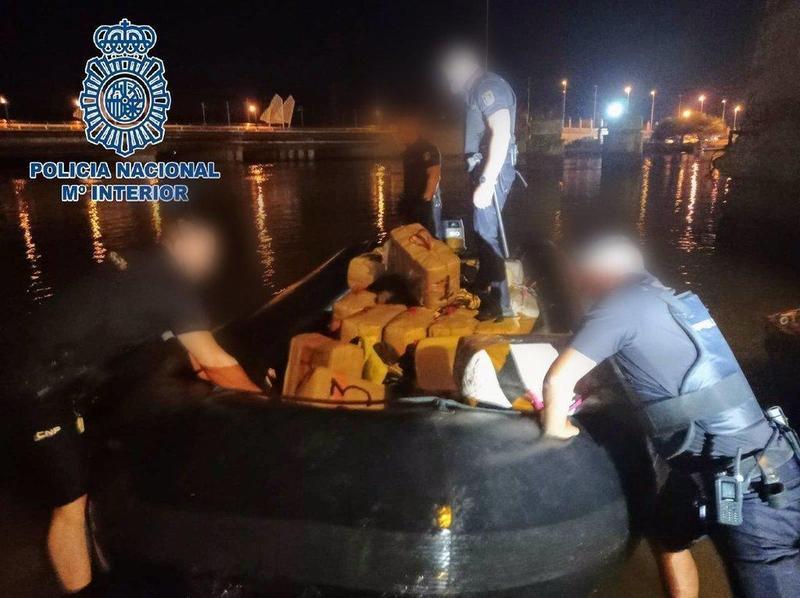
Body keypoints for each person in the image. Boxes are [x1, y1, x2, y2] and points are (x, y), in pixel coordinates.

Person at [12, 202, 262, 596]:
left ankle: (100, 572)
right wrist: (269, 406)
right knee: (70, 503)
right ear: (182, 241)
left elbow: (199, 355)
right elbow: (216, 363)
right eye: (205, 248)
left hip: (64, 377)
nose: (210, 260)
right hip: (36, 384)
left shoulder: (150, 265)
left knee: (87, 486)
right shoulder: (168, 283)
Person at [542, 235, 800, 598]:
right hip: (725, 462)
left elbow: (557, 380)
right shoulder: (666, 299)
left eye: (583, 279)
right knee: (667, 532)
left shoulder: (618, 303)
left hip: (749, 481)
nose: (581, 289)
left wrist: (556, 433)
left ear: (602, 273)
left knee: (767, 578)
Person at [441, 45, 518, 320]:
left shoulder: (488, 86)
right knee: (480, 229)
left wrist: (487, 181)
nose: (449, 80)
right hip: (483, 169)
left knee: (486, 233)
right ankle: (487, 285)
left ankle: (500, 302)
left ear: (464, 69)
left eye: (451, 74)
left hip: (493, 171)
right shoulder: (474, 91)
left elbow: (502, 131)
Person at [397, 115, 443, 237]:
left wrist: (425, 200)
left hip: (426, 204)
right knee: (412, 236)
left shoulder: (428, 149)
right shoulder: (408, 152)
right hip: (412, 202)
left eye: (402, 132)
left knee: (429, 236)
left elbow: (434, 175)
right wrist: (404, 201)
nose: (400, 136)